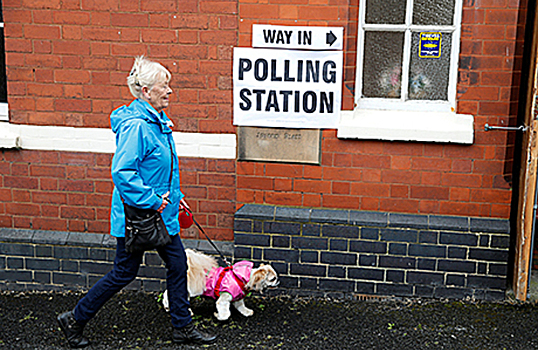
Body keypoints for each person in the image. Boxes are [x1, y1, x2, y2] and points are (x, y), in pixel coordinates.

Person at [57, 56, 217, 348]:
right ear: (145, 90)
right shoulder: (137, 127)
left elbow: (162, 171)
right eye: (163, 86)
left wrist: (176, 201)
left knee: (178, 264)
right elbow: (122, 172)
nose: (169, 91)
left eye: (169, 85)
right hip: (140, 216)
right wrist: (154, 201)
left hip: (161, 214)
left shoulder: (157, 123)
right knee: (124, 272)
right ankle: (74, 319)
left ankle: (182, 328)